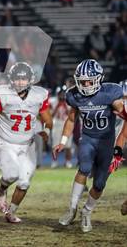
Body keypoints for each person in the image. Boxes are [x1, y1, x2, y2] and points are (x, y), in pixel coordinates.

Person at [53, 59, 125, 232]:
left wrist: (122, 112)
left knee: (100, 183)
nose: (85, 84)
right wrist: (63, 142)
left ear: (98, 79)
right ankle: (72, 209)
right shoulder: (75, 96)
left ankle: (87, 212)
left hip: (106, 142)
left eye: (89, 81)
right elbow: (71, 119)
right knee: (84, 167)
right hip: (88, 138)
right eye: (82, 81)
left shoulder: (110, 93)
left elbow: (123, 113)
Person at [0, 62, 53, 223]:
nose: (21, 82)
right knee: (11, 175)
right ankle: (2, 189)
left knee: (25, 182)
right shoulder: (2, 93)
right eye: (17, 79)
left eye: (24, 79)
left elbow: (48, 120)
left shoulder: (39, 95)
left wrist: (46, 131)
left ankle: (11, 212)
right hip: (5, 142)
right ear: (11, 79)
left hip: (28, 144)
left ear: (30, 80)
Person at [50, 86, 73, 168]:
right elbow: (51, 115)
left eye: (63, 94)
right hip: (57, 124)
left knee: (68, 145)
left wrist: (65, 106)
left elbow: (71, 115)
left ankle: (68, 161)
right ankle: (54, 161)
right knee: (55, 144)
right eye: (61, 94)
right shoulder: (53, 101)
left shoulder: (69, 101)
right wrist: (57, 106)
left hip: (66, 123)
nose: (62, 96)